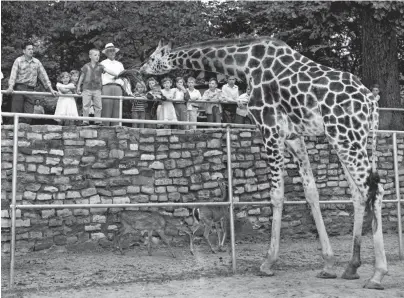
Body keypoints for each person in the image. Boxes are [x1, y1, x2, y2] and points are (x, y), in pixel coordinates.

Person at [6, 42, 58, 124]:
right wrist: (10, 87)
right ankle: (15, 133)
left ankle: (25, 133)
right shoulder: (18, 60)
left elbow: (44, 76)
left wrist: (50, 89)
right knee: (16, 112)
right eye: (29, 49)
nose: (31, 51)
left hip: (30, 90)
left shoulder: (37, 62)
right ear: (24, 51)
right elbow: (13, 75)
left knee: (29, 115)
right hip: (19, 88)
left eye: (32, 49)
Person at [76, 48, 119, 126]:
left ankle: (98, 121)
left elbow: (108, 70)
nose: (97, 57)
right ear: (90, 56)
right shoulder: (86, 66)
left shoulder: (100, 66)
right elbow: (82, 76)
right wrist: (78, 86)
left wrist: (117, 74)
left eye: (98, 55)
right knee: (86, 105)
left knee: (98, 106)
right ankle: (85, 121)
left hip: (97, 89)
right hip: (87, 88)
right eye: (95, 55)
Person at [100, 43, 125, 126]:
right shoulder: (102, 63)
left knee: (117, 109)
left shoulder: (119, 64)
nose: (112, 53)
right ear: (106, 53)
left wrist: (122, 84)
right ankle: (104, 127)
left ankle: (117, 128)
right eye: (110, 51)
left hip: (118, 86)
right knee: (106, 108)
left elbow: (124, 77)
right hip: (107, 86)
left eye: (113, 51)